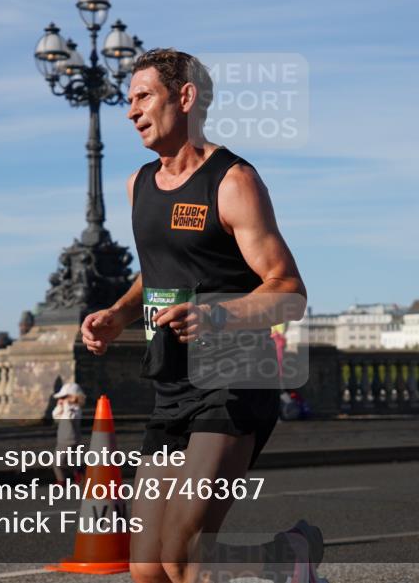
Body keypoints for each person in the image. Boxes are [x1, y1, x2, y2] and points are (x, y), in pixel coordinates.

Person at [81, 49, 321, 583]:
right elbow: (159, 270)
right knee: (148, 568)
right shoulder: (139, 184)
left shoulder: (233, 181)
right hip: (172, 386)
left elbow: (289, 290)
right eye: (128, 99)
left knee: (184, 555)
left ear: (185, 97)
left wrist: (215, 316)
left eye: (144, 96)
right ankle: (287, 557)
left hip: (233, 379)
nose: (131, 110)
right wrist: (119, 313)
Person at [51, 382, 85, 484]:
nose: (64, 399)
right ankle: (77, 471)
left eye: (67, 397)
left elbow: (69, 417)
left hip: (71, 440)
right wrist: (59, 406)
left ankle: (62, 480)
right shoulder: (66, 409)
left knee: (58, 463)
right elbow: (55, 416)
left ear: (75, 397)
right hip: (62, 440)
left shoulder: (76, 409)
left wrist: (66, 405)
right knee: (60, 462)